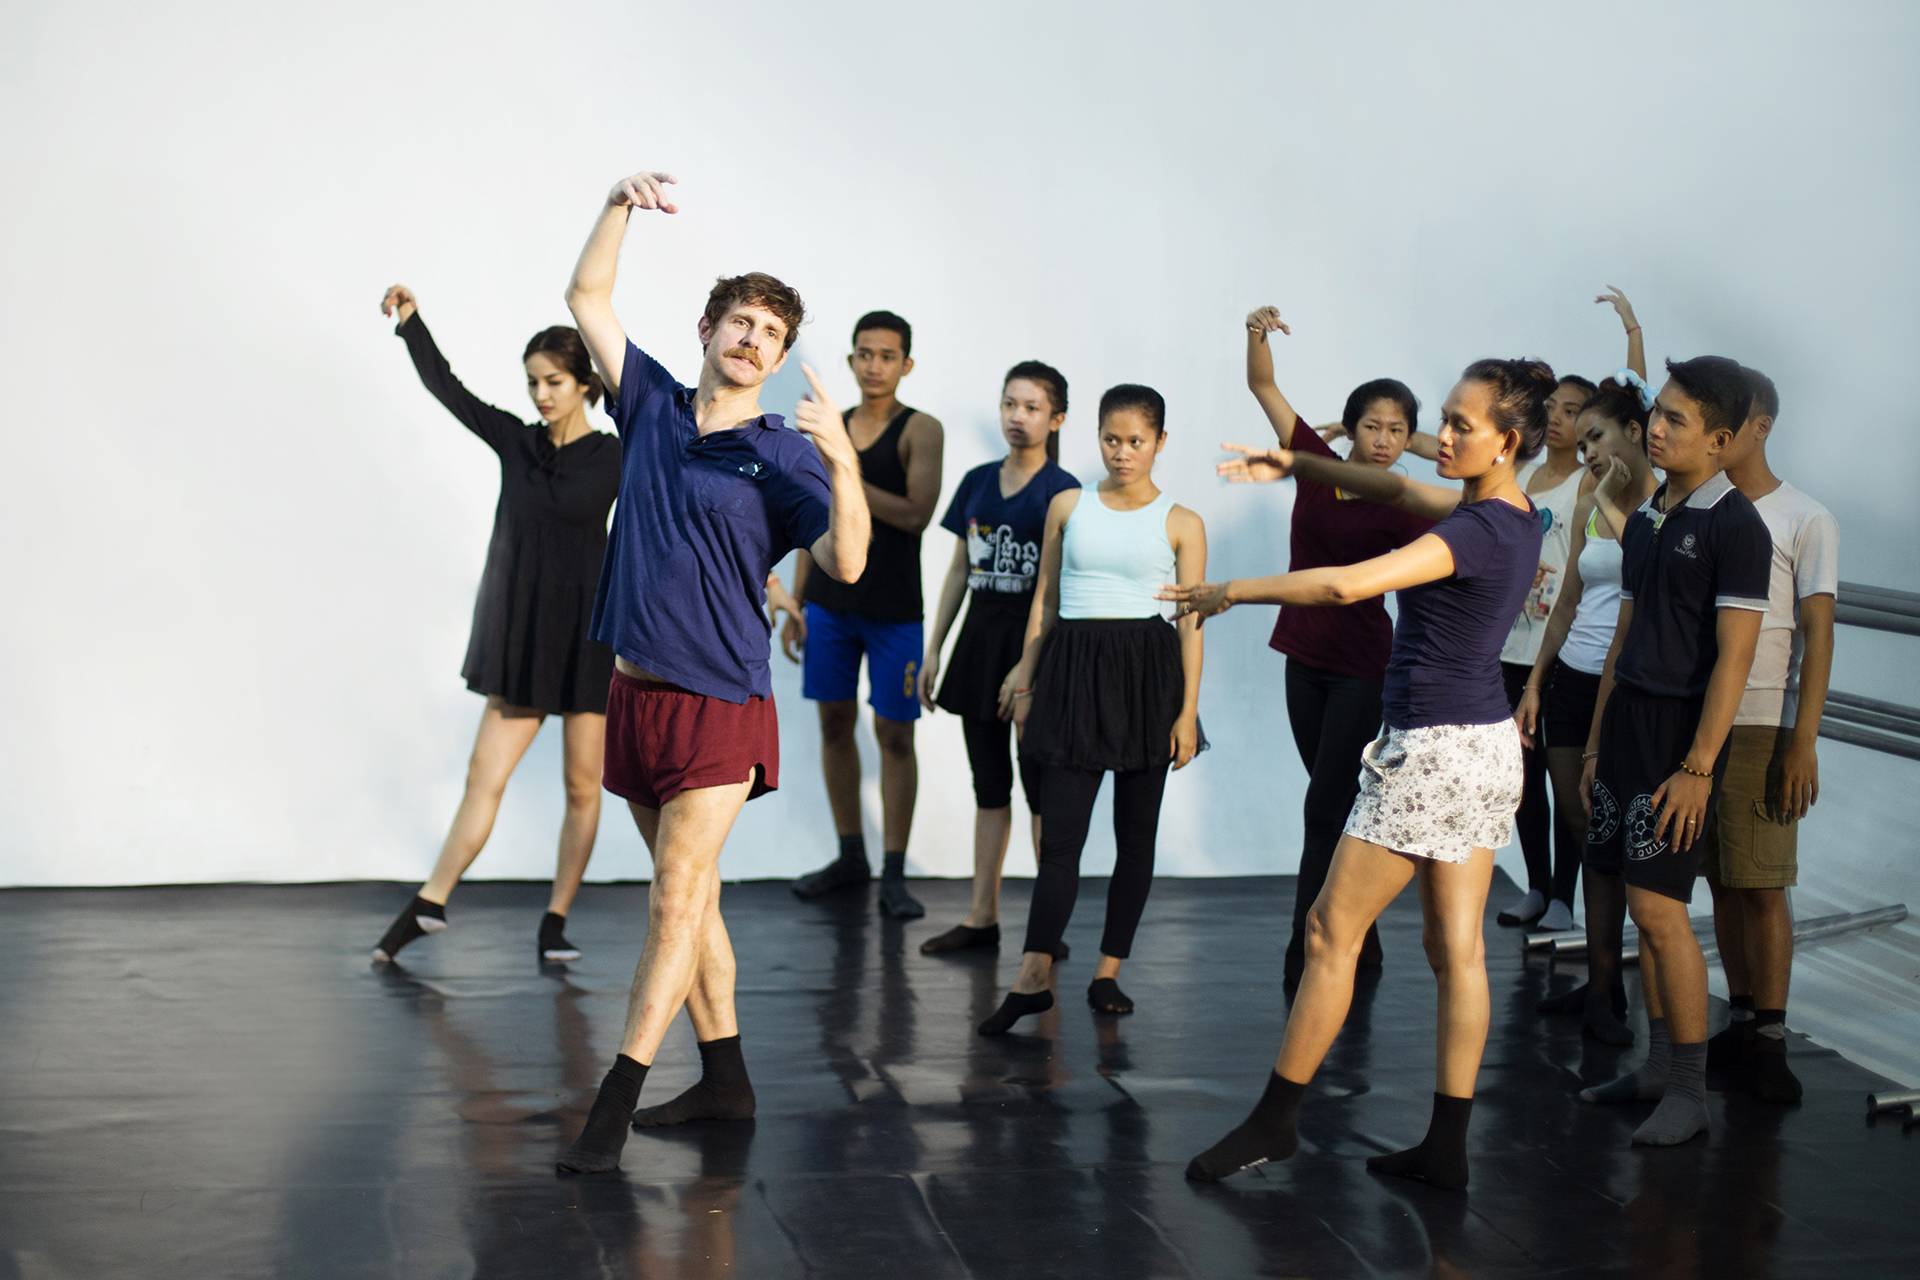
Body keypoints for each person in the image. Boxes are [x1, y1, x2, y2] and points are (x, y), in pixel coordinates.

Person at [553, 170, 870, 1174]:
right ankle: (726, 1079)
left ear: (780, 358)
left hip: (720, 703)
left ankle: (613, 1104)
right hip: (633, 691)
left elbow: (851, 562)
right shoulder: (646, 400)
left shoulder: (788, 454)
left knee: (675, 899)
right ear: (706, 328)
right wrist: (617, 204)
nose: (753, 340)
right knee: (694, 901)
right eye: (740, 321)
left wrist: (848, 465)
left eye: (771, 333)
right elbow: (587, 300)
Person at [1175, 358, 1553, 1190]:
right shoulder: (1517, 515)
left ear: (1509, 440)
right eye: (1443, 419)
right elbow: (1391, 493)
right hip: (1485, 744)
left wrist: (1229, 590)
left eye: (1459, 425)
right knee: (1456, 950)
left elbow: (1347, 584)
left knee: (1328, 932)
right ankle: (1447, 1148)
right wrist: (1300, 461)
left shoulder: (1470, 530)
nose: (1438, 437)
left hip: (1435, 750)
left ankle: (1275, 1123)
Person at [369, 286, 621, 966]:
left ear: (584, 384)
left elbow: (671, 516)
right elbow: (447, 389)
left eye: (554, 382)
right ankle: (430, 901)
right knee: (485, 778)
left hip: (588, 639)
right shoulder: (516, 440)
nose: (541, 394)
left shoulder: (614, 458)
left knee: (580, 786)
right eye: (534, 382)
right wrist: (412, 323)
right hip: (523, 636)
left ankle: (556, 920)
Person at [1576, 356, 1771, 1147]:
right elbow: (1625, 631)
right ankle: (1660, 1066)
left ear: (1721, 440)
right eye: (1656, 413)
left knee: (1661, 910)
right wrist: (1593, 742)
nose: (1655, 428)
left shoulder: (1736, 527)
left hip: (1679, 740)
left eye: (1676, 420)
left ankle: (1689, 1089)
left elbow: (1735, 658)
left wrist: (1697, 768)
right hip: (1625, 726)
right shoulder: (1654, 511)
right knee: (1628, 898)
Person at [976, 384, 1206, 1034]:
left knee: (1135, 841)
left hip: (1145, 677)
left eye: (1136, 441)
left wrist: (1187, 712)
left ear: (1160, 442)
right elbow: (1045, 598)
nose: (1123, 452)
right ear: (1097, 437)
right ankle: (1033, 974)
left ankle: (1108, 970)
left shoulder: (1182, 522)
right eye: (1112, 439)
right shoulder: (1068, 504)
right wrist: (1026, 674)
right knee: (1061, 841)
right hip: (1072, 672)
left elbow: (1191, 624)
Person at [1240, 307, 1434, 990]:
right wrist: (1256, 334)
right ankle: (1360, 936)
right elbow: (1264, 387)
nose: (1384, 441)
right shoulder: (1315, 465)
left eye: (1397, 430)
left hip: (1362, 663)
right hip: (1302, 651)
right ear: (1349, 428)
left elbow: (1463, 478)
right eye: (1373, 427)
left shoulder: (1404, 499)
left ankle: (1307, 951)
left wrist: (1416, 449)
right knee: (1334, 799)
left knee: (1324, 807)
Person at [1701, 366, 1837, 1104]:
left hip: (1759, 722)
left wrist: (1802, 738)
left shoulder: (1804, 517)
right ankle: (1745, 1016)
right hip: (1702, 721)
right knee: (1722, 879)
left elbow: (1818, 636)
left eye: (1731, 419)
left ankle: (1773, 1034)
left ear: (1760, 428)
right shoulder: (1702, 508)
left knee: (1762, 881)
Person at [779, 313, 944, 920]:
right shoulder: (834, 425)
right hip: (828, 604)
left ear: (906, 364)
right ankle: (851, 856)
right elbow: (808, 516)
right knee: (832, 726)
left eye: (887, 355)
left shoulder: (920, 430)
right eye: (865, 354)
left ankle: (893, 871)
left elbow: (915, 512)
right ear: (850, 361)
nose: (875, 365)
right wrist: (796, 601)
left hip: (894, 608)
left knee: (895, 735)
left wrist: (840, 463)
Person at [1494, 287, 1645, 928]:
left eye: (1577, 415)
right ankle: (1541, 888)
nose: (1562, 422)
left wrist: (1633, 330)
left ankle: (1567, 898)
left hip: (1579, 657)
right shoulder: (1530, 476)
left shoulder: (1603, 484)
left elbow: (1636, 398)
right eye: (1554, 411)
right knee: (1524, 779)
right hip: (1520, 642)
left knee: (1580, 794)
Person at [1515, 375, 1659, 1042]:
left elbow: (1650, 571)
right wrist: (1537, 682)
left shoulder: (1661, 505)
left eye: (1598, 436)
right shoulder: (1591, 508)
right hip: (1572, 679)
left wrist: (1605, 493)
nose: (1589, 448)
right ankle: (1601, 986)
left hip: (1624, 689)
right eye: (1584, 437)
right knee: (1586, 828)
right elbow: (1567, 602)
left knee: (1607, 837)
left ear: (1636, 432)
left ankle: (1615, 989)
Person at [917, 361, 1080, 954]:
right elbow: (961, 568)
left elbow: (1055, 590)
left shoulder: (1063, 493)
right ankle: (981, 917)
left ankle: (1046, 929)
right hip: (979, 645)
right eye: (1010, 403)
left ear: (1056, 418)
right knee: (989, 785)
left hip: (1034, 650)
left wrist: (1029, 668)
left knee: (1040, 790)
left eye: (1032, 407)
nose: (1017, 416)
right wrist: (935, 647)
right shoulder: (978, 481)